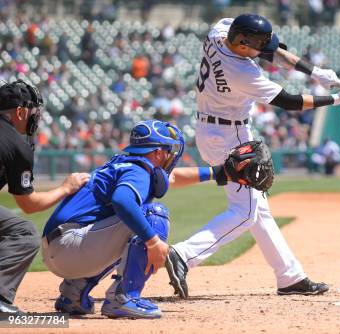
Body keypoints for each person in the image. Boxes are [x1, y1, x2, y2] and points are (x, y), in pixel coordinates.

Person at [165, 14, 340, 298]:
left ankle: (290, 276)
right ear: (242, 44)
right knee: (245, 212)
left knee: (258, 208)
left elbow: (273, 51)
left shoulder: (221, 30)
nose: (262, 51)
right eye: (255, 46)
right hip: (233, 138)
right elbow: (290, 102)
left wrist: (316, 71)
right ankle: (183, 255)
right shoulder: (243, 73)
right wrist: (334, 99)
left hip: (210, 129)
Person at [42, 119, 242, 319]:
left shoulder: (125, 164)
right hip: (71, 246)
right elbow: (122, 201)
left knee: (134, 225)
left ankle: (73, 293)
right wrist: (153, 241)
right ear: (156, 152)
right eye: (167, 150)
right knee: (153, 216)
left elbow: (171, 178)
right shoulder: (139, 171)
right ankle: (124, 297)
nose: (170, 155)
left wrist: (219, 173)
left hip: (61, 247)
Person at [0, 80, 89, 314]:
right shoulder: (15, 143)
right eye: (32, 111)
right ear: (19, 112)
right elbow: (28, 204)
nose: (35, 117)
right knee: (23, 232)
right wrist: (65, 188)